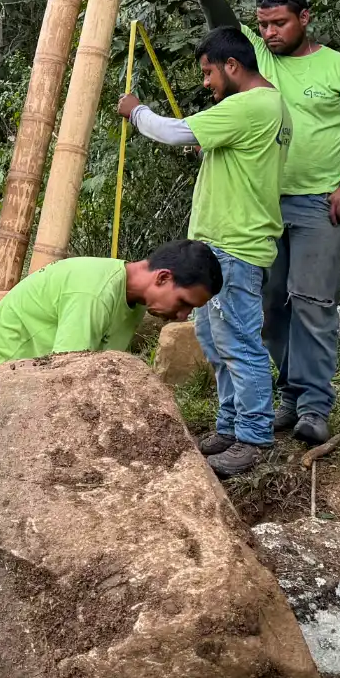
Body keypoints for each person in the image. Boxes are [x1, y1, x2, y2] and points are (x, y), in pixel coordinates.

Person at [168, 0, 340, 448]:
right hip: (261, 206)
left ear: (305, 18)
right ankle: (284, 400)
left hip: (319, 203)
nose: (268, 32)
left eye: (278, 24)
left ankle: (313, 404)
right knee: (269, 304)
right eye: (262, 25)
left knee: (313, 302)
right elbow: (212, 5)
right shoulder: (254, 58)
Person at [117, 27, 289, 478]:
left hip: (235, 245)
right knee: (216, 342)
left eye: (209, 72)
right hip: (223, 246)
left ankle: (252, 438)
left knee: (239, 344)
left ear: (232, 66)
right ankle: (230, 428)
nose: (208, 83)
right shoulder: (266, 107)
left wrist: (136, 112)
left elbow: (173, 132)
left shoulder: (251, 104)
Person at [0, 239, 223, 381]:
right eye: (183, 303)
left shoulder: (134, 301)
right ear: (163, 278)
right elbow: (67, 377)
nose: (182, 316)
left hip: (33, 378)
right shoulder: (94, 292)